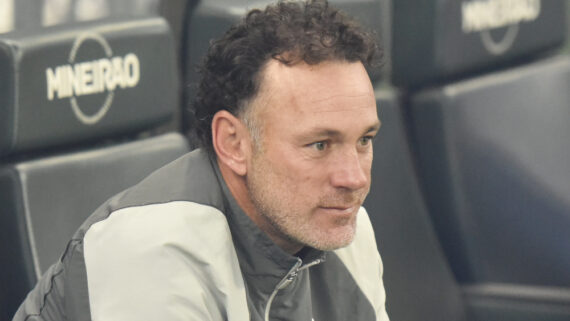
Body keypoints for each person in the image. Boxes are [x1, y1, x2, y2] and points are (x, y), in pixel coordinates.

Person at [14, 0, 389, 320]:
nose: (353, 179)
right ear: (233, 143)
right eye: (320, 145)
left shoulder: (339, 223)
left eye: (364, 140)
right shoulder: (149, 252)